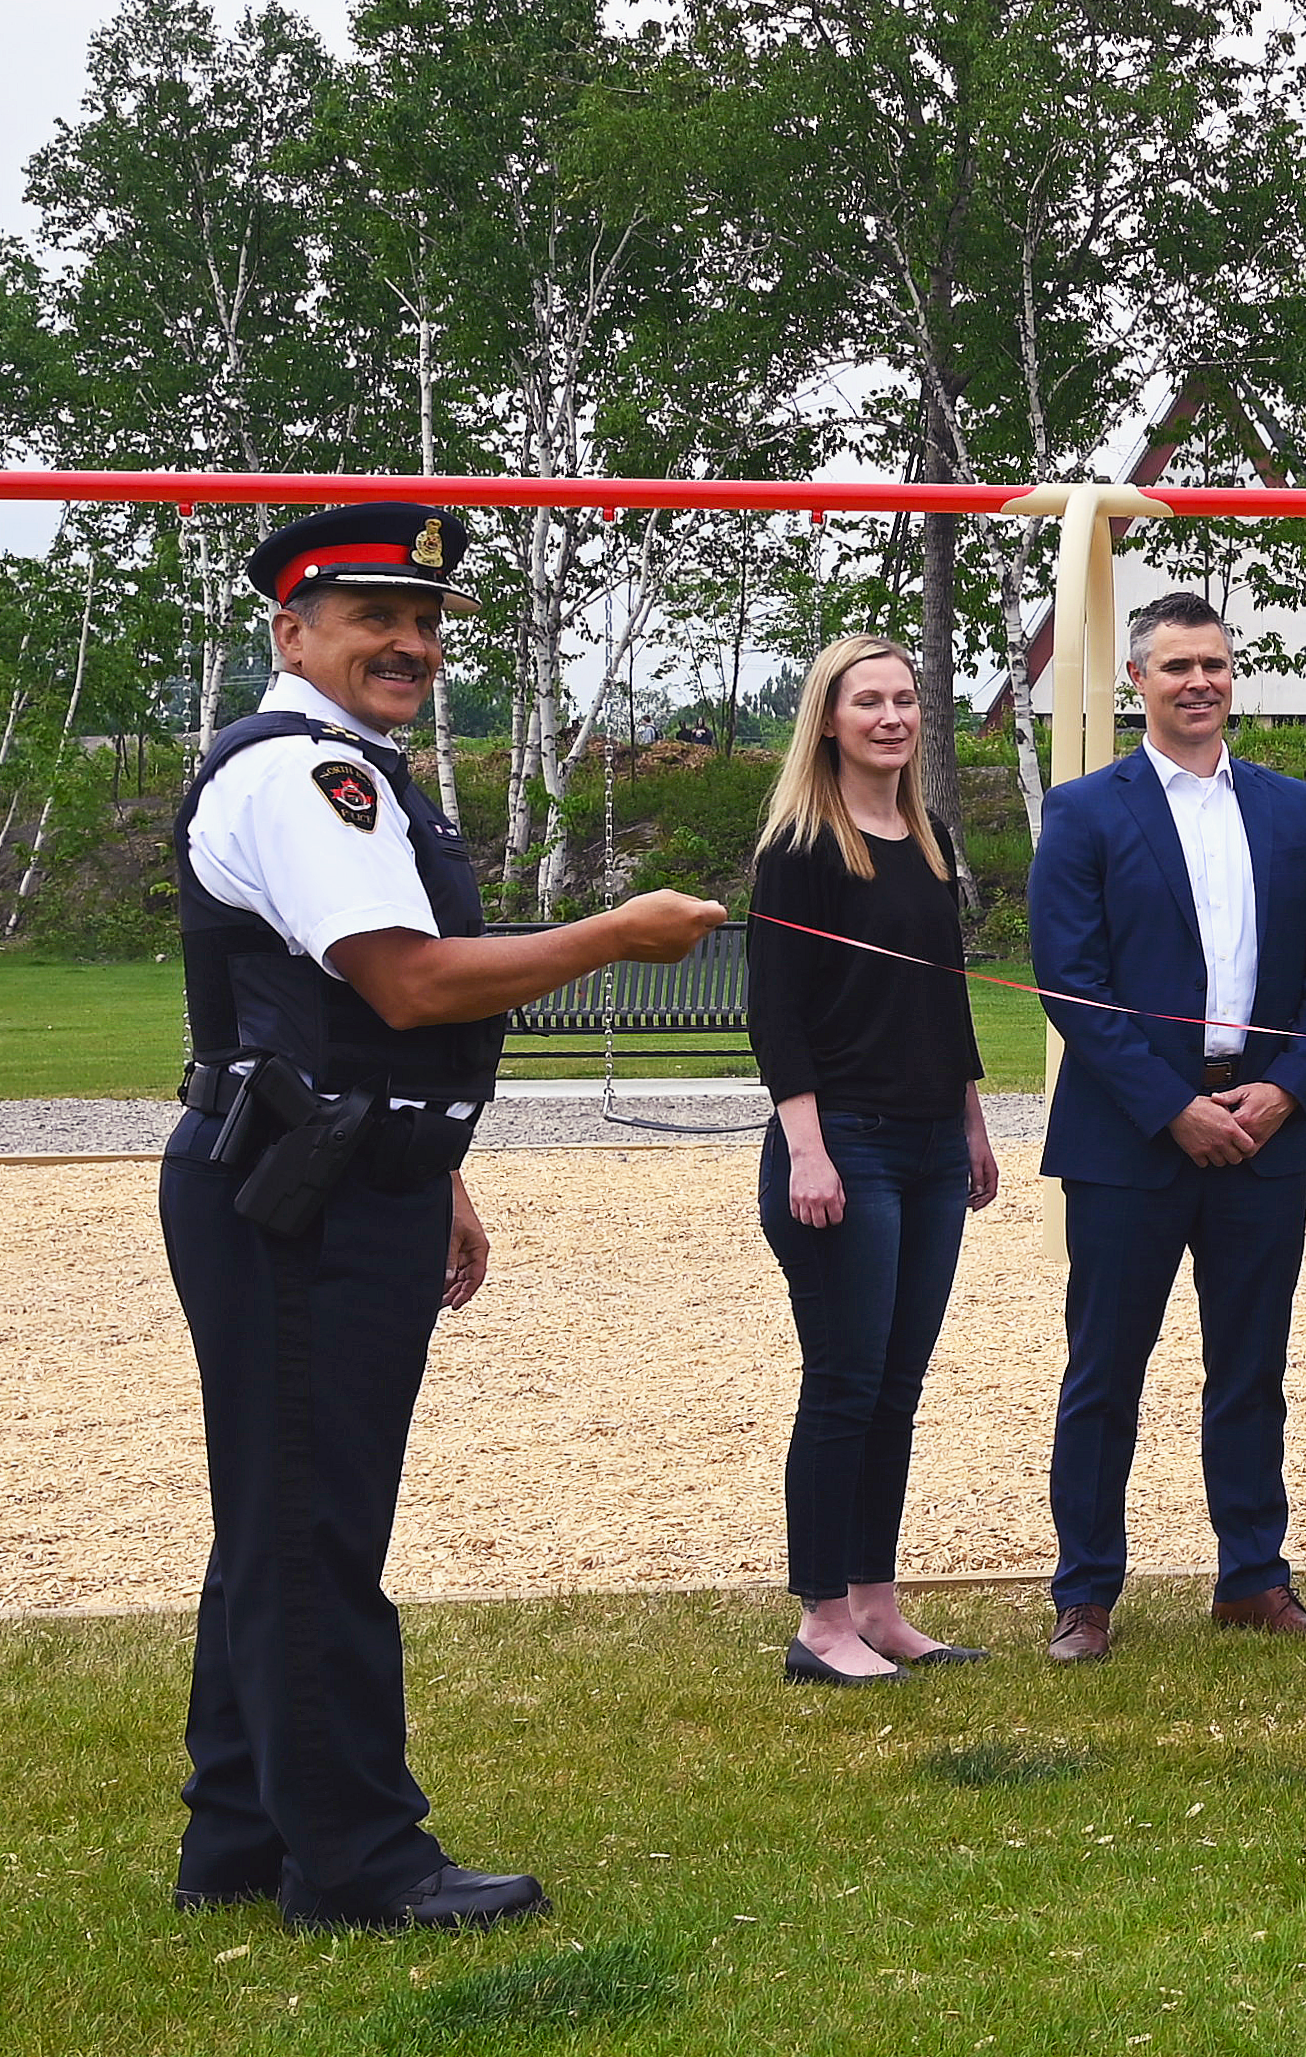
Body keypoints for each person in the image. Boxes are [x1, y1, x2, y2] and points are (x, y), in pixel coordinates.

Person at [166, 502, 724, 1930]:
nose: (409, 643)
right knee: (312, 1527)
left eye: (424, 622)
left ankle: (240, 1836)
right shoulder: (310, 780)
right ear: (293, 631)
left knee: (279, 1515)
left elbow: (345, 1018)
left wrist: (441, 1170)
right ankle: (356, 1862)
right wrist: (615, 936)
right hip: (301, 1196)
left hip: (341, 1167)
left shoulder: (344, 767)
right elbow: (409, 981)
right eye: (374, 619)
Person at [1028, 591, 1306, 1661]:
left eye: (1214, 664)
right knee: (1104, 1369)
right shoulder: (1085, 811)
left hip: (1265, 1129)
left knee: (1252, 1364)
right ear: (1138, 682)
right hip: (1131, 1138)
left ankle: (1252, 1577)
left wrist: (1285, 1088)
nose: (1199, 682)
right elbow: (1070, 983)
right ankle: (1085, 1592)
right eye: (1176, 666)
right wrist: (1171, 1106)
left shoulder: (1288, 807)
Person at [746, 632, 1000, 1686]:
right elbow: (777, 1014)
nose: (892, 717)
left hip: (933, 1143)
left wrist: (974, 1123)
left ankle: (877, 1605)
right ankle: (819, 1619)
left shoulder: (928, 834)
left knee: (897, 1384)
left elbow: (943, 996)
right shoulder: (800, 845)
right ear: (830, 718)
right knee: (843, 1384)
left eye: (906, 700)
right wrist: (808, 1150)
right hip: (843, 1145)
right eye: (870, 702)